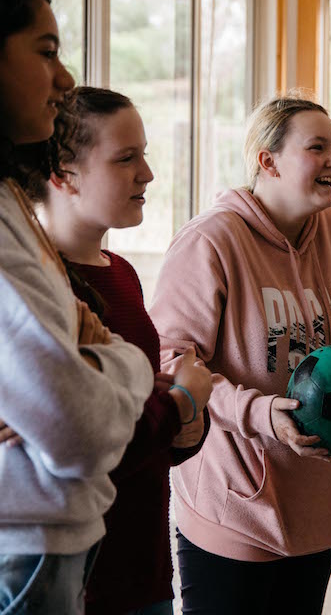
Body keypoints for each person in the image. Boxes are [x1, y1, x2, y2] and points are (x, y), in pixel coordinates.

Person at [149, 94, 331, 615]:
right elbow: (172, 361)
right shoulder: (210, 241)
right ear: (268, 160)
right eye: (317, 147)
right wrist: (258, 412)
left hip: (319, 499)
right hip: (235, 503)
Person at [0, 0, 154, 614]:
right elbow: (80, 430)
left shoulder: (10, 201)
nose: (64, 77)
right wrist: (125, 363)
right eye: (46, 49)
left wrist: (97, 361)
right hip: (28, 547)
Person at [37, 86, 213, 615]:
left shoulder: (124, 275)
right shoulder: (40, 291)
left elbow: (146, 432)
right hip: (77, 577)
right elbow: (86, 442)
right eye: (125, 158)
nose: (148, 174)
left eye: (145, 154)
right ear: (63, 175)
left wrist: (186, 421)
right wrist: (181, 401)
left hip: (146, 567)